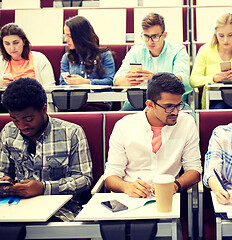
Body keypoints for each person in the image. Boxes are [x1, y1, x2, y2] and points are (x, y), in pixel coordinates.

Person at [0, 78, 93, 221]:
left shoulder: (71, 133)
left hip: (61, 210)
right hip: (16, 206)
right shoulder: (8, 132)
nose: (21, 126)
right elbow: (3, 171)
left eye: (28, 119)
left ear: (44, 109)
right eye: (15, 120)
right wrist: (4, 181)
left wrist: (44, 188)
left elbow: (84, 179)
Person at [104, 72, 201, 197]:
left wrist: (175, 185)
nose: (176, 112)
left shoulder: (186, 123)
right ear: (150, 104)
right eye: (169, 106)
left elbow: (194, 170)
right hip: (130, 198)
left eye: (178, 105)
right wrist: (127, 187)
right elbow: (110, 176)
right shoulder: (124, 126)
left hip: (167, 198)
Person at [114, 12, 192, 111]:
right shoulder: (135, 51)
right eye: (146, 36)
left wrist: (155, 79)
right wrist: (131, 80)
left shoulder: (178, 50)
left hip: (171, 104)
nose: (150, 41)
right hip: (136, 104)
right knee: (117, 122)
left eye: (154, 37)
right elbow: (117, 81)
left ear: (164, 35)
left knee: (191, 119)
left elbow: (181, 79)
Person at [60, 15, 115, 111]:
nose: (66, 40)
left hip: (99, 102)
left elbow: (110, 82)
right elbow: (62, 84)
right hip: (74, 102)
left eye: (69, 36)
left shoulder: (104, 55)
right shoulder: (66, 57)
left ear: (81, 36)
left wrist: (86, 82)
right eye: (65, 35)